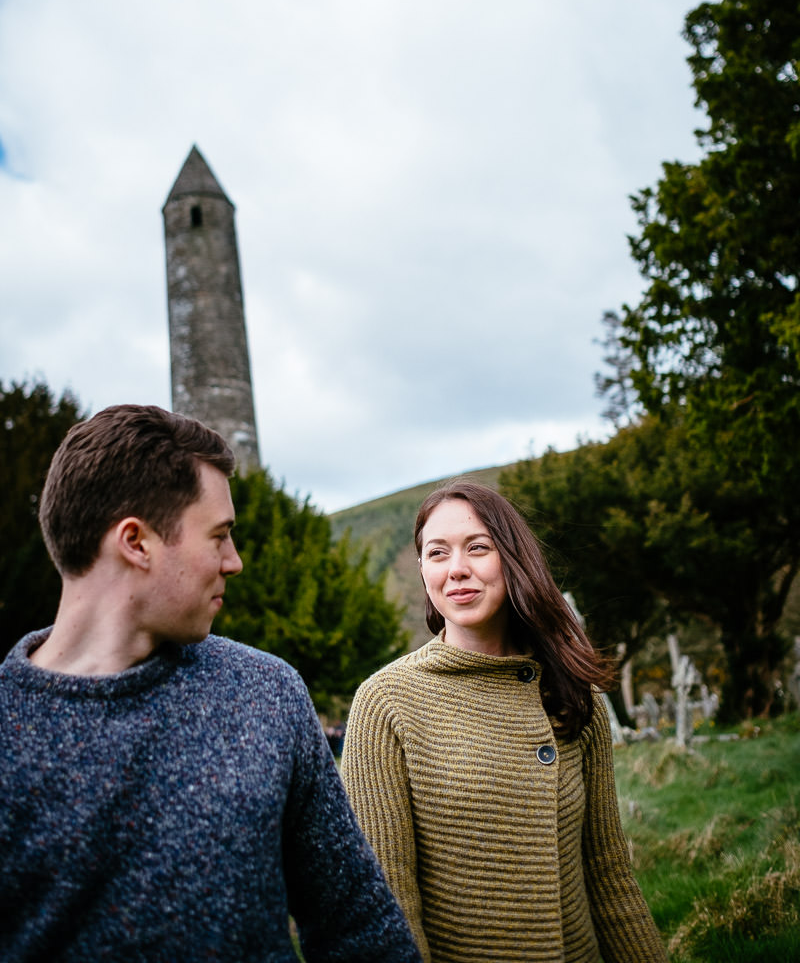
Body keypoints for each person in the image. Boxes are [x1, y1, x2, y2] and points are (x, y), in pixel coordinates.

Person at [0, 404, 422, 963]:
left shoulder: (266, 694)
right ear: (136, 542)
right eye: (219, 536)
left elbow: (360, 928)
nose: (235, 562)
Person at [341, 482, 668, 963]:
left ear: (513, 558)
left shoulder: (574, 691)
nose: (456, 569)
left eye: (478, 547)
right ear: (422, 570)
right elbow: (388, 902)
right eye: (437, 553)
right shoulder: (386, 703)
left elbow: (610, 876)